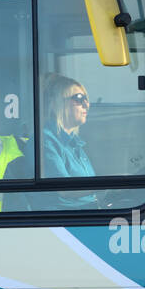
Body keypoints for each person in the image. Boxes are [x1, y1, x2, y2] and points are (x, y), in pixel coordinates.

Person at [40, 73, 96, 206]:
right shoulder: (46, 142)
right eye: (79, 99)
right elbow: (65, 190)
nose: (86, 105)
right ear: (56, 104)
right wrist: (111, 184)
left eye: (86, 99)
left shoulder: (74, 144)